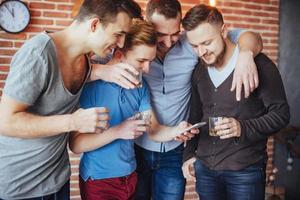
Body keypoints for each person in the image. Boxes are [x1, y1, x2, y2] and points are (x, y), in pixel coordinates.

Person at [0, 0, 142, 199]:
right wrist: (73, 121)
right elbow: (5, 122)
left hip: (57, 179)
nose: (120, 43)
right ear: (94, 25)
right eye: (118, 34)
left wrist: (104, 71)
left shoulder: (85, 58)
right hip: (22, 185)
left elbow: (78, 73)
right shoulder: (38, 54)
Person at [127, 1, 263, 199]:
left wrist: (246, 55)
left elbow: (249, 37)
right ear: (147, 23)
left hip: (174, 150)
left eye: (174, 33)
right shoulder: (136, 49)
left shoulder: (192, 46)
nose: (168, 41)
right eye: (160, 34)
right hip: (137, 147)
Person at [69, 19, 198, 200]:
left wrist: (177, 130)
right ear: (120, 54)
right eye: (141, 60)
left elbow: (153, 129)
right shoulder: (92, 86)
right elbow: (76, 144)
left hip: (131, 177)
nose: (146, 69)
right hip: (99, 180)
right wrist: (118, 131)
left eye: (150, 61)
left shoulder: (140, 87)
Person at [181, 4, 290, 200]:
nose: (201, 52)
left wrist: (242, 127)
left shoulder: (259, 64)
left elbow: (281, 115)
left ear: (223, 31)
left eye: (206, 42)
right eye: (194, 46)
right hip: (205, 171)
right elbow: (195, 115)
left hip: (245, 172)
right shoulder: (199, 70)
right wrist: (189, 155)